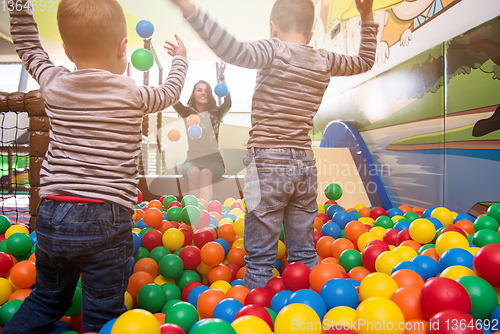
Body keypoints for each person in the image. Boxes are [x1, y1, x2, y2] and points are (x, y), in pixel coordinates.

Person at [6, 0, 187, 332]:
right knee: (103, 315)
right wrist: (180, 61)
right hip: (106, 217)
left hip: (53, 215)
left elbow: (29, 48)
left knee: (46, 300)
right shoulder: (134, 93)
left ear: (67, 51)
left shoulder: (54, 82)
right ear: (123, 48)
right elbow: (171, 92)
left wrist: (19, 7)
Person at [168, 0, 377, 289]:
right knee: (304, 252)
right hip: (305, 162)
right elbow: (365, 61)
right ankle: (307, 307)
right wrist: (366, 16)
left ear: (272, 28)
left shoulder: (272, 49)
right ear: (312, 31)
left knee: (261, 259)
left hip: (268, 161)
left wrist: (191, 10)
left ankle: (259, 311)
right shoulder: (324, 59)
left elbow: (232, 49)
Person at [173, 62, 231, 202]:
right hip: (192, 159)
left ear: (210, 94)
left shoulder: (216, 113)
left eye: (205, 90)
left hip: (214, 161)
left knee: (205, 173)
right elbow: (173, 99)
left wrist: (222, 78)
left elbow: (228, 103)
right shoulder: (187, 113)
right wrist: (178, 72)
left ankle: (205, 216)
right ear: (193, 93)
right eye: (199, 90)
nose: (203, 92)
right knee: (193, 171)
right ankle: (192, 215)